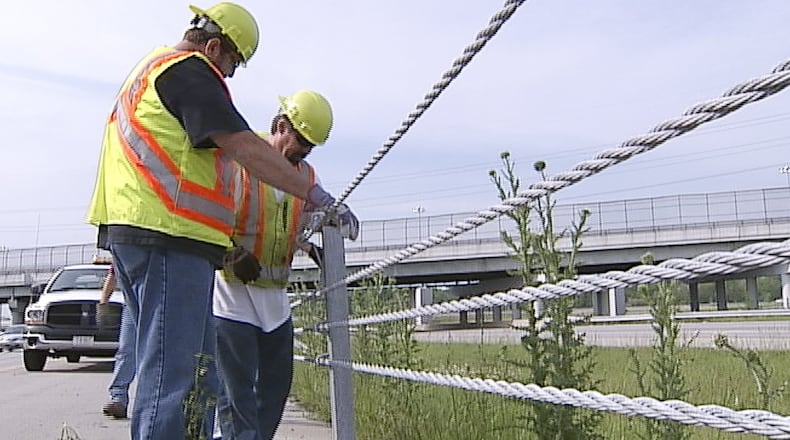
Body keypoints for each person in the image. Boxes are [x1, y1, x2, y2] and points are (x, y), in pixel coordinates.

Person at [85, 3, 349, 439]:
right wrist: (316, 195)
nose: (227, 76)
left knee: (199, 375)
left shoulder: (149, 70)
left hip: (143, 235)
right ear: (213, 47)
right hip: (168, 238)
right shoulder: (189, 71)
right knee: (172, 381)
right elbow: (244, 146)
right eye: (232, 64)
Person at [213, 90, 357, 440]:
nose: (305, 152)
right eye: (301, 141)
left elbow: (296, 220)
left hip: (275, 303)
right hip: (231, 298)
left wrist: (313, 244)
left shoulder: (306, 178)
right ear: (280, 126)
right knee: (237, 395)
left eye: (311, 146)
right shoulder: (239, 162)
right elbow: (207, 216)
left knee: (275, 389)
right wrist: (229, 254)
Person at [96, 264, 137, 420]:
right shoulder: (126, 246)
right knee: (127, 350)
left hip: (162, 299)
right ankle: (118, 400)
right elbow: (114, 272)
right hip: (132, 301)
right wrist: (103, 302)